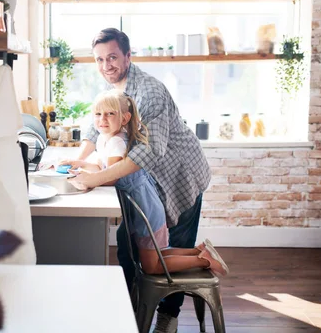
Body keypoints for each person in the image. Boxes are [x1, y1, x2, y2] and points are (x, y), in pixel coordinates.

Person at [62, 28, 212, 333]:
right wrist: (78, 161)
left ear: (128, 56)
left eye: (113, 57)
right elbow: (98, 129)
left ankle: (167, 320)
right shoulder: (114, 89)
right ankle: (130, 316)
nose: (106, 65)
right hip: (146, 183)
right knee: (128, 249)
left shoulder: (150, 92)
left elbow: (149, 152)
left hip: (179, 177)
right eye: (100, 59)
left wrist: (94, 178)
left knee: (172, 254)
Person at [69, 89, 228, 278]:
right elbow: (101, 165)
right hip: (142, 206)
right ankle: (199, 251)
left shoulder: (117, 142)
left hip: (146, 208)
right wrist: (79, 165)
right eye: (98, 114)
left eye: (110, 113)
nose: (102, 119)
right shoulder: (106, 138)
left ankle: (204, 260)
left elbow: (111, 176)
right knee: (154, 254)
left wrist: (89, 181)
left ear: (125, 118)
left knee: (152, 265)